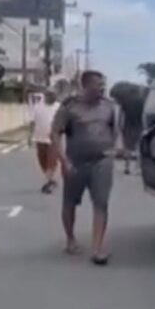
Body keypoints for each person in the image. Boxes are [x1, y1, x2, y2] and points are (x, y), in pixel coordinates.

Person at [51, 71, 117, 266]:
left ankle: (97, 248)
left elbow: (115, 130)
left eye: (103, 84)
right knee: (70, 202)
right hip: (75, 163)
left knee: (101, 203)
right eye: (98, 85)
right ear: (86, 86)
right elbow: (55, 133)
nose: (102, 88)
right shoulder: (70, 107)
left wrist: (116, 149)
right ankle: (70, 239)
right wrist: (63, 161)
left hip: (102, 161)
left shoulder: (109, 106)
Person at [30, 91, 60, 194]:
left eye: (54, 96)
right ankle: (50, 179)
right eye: (51, 96)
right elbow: (32, 121)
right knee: (42, 160)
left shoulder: (59, 107)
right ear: (46, 96)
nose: (53, 98)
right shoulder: (37, 107)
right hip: (39, 137)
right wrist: (30, 135)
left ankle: (48, 182)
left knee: (51, 160)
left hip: (53, 138)